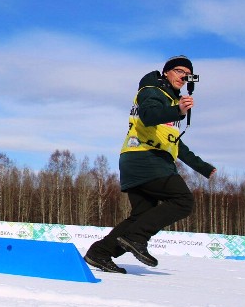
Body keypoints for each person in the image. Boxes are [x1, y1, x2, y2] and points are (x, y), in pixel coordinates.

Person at [85, 56, 216, 274]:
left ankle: (100, 252)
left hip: (139, 160)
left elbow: (175, 142)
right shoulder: (152, 89)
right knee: (183, 200)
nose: (183, 77)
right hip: (145, 158)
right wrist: (179, 111)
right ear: (166, 73)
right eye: (179, 71)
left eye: (187, 74)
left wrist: (202, 167)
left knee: (141, 215)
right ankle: (136, 237)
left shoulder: (170, 101)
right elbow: (148, 115)